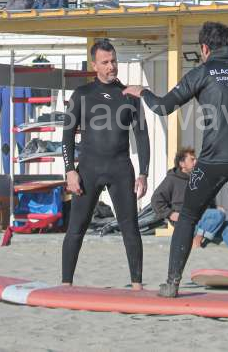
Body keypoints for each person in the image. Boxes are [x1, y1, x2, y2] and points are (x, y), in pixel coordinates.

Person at [123, 21, 228, 301]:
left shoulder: (202, 72)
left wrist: (143, 92)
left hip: (212, 162)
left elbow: (163, 107)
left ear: (205, 48)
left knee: (187, 218)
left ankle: (172, 284)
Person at [62, 39, 150, 290]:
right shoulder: (82, 94)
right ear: (95, 65)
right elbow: (67, 135)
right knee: (76, 228)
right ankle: (66, 285)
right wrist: (70, 171)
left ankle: (137, 286)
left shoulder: (130, 95)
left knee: (130, 228)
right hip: (88, 169)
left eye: (114, 61)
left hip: (120, 169)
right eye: (105, 62)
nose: (111, 66)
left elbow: (142, 136)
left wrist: (143, 173)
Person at [152, 147, 228, 250]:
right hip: (185, 221)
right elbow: (156, 200)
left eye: (196, 159)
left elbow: (207, 199)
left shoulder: (198, 178)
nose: (196, 162)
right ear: (182, 164)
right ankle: (197, 240)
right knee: (218, 215)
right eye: (192, 159)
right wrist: (170, 214)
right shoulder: (172, 179)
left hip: (201, 218)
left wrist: (215, 207)